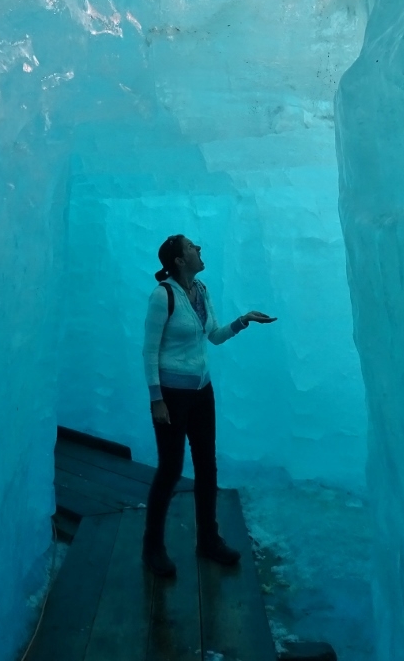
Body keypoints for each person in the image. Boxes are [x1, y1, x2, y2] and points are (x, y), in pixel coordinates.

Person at [141, 233, 277, 577]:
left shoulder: (201, 291)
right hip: (172, 395)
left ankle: (208, 540)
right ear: (178, 260)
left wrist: (243, 320)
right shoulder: (163, 296)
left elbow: (213, 335)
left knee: (206, 465)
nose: (199, 249)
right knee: (170, 470)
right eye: (191, 247)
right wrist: (157, 398)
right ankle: (152, 547)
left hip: (202, 391)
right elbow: (149, 351)